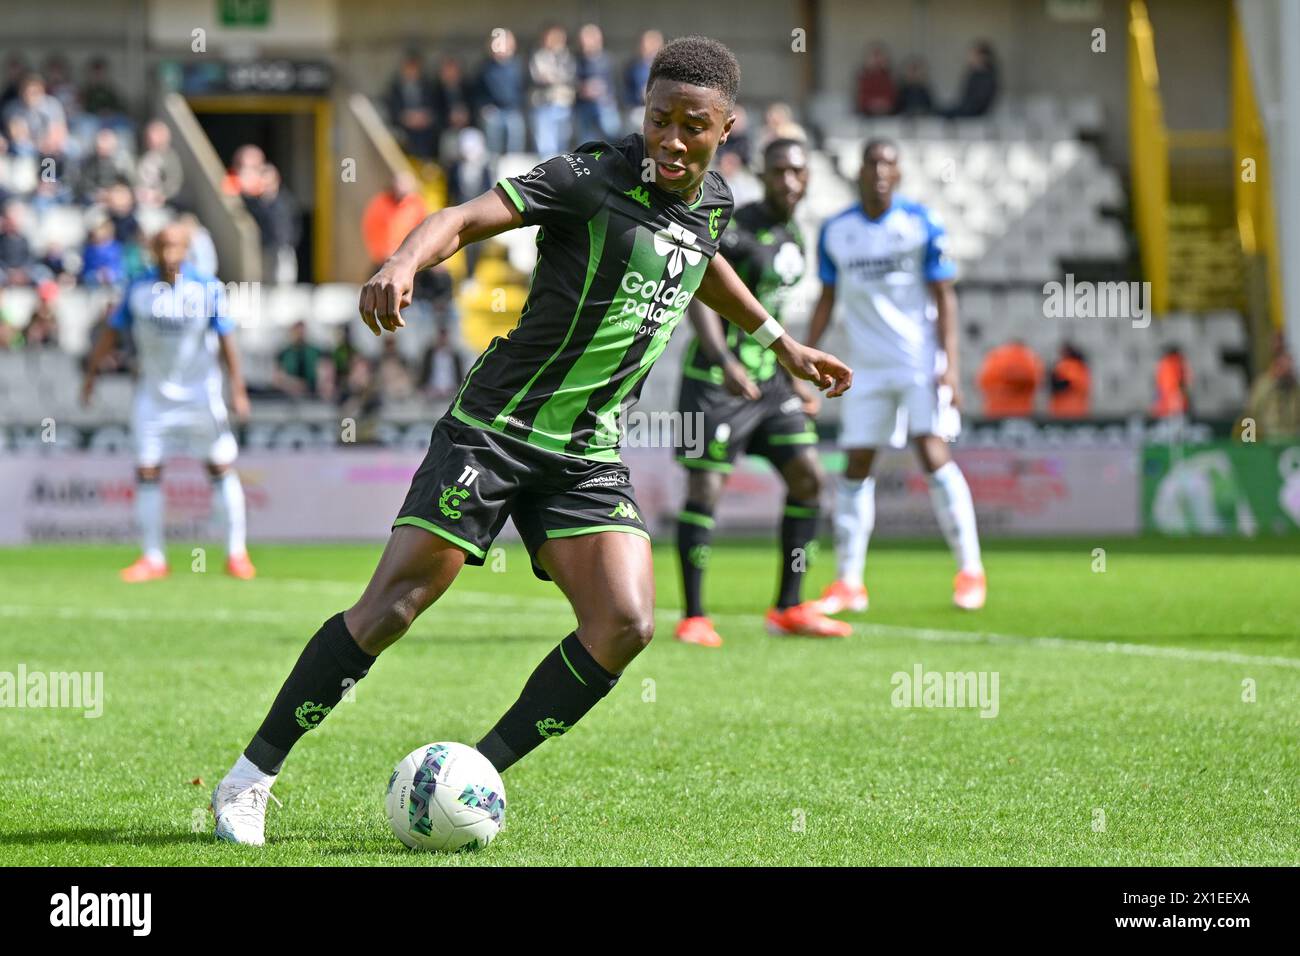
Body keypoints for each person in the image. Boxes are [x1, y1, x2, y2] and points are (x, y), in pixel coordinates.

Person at [209, 35, 851, 846]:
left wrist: (776, 337)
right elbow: (463, 216)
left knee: (625, 623)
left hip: (585, 452)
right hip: (498, 429)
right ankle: (250, 778)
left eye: (694, 126)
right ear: (642, 112)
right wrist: (406, 258)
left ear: (727, 128)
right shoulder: (589, 178)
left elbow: (703, 259)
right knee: (394, 607)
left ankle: (469, 778)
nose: (672, 141)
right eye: (660, 120)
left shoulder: (714, 201)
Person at [674, 138, 848, 647]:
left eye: (797, 172)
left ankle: (790, 606)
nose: (789, 181)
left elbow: (774, 310)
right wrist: (723, 360)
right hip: (715, 383)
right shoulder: (735, 225)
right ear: (763, 175)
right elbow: (698, 292)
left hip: (769, 383)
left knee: (809, 477)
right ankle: (694, 616)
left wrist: (794, 374)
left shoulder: (795, 233)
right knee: (705, 492)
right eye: (779, 172)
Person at [808, 138, 985, 613]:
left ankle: (970, 570)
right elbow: (827, 297)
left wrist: (951, 368)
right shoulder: (836, 231)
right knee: (856, 465)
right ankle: (849, 583)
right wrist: (806, 352)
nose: (881, 172)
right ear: (860, 173)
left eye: (889, 164)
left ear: (899, 175)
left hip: (918, 363)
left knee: (932, 452)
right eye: (872, 163)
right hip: (864, 368)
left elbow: (944, 295)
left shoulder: (920, 223)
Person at [80, 223, 255, 583]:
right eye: (162, 247)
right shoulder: (138, 289)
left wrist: (237, 389)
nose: (169, 254)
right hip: (154, 397)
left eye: (175, 246)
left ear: (187, 250)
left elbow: (225, 340)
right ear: (153, 251)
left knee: (220, 467)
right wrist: (91, 377)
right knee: (147, 471)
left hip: (200, 396)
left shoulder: (207, 288)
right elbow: (112, 333)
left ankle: (236, 554)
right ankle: (153, 557)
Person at [362, 170, 429, 268]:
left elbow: (423, 231)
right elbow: (371, 229)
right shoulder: (380, 203)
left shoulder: (416, 204)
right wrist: (380, 253)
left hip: (409, 257)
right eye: (400, 184)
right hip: (384, 259)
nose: (401, 188)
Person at [476, 28, 527, 155]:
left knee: (515, 150)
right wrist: (483, 107)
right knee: (493, 151)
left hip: (513, 110)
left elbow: (524, 88)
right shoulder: (485, 67)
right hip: (493, 111)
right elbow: (478, 91)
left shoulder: (518, 65)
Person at [528, 24, 576, 155]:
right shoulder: (538, 54)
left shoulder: (567, 56)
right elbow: (540, 76)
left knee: (562, 143)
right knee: (545, 147)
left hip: (563, 103)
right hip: (543, 103)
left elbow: (569, 75)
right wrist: (557, 77)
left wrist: (554, 75)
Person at [574, 24, 621, 144]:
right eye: (582, 40)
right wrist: (582, 88)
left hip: (605, 105)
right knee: (585, 142)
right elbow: (572, 81)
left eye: (587, 39)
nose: (584, 43)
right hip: (583, 106)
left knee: (612, 136)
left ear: (598, 40)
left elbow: (617, 84)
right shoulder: (576, 60)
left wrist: (602, 90)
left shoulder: (608, 59)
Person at [387, 52, 438, 159]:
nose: (412, 72)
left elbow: (434, 108)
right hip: (404, 127)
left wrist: (423, 118)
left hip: (425, 127)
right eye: (409, 68)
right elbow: (393, 112)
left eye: (414, 68)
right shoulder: (395, 89)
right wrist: (407, 118)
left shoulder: (428, 87)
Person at [1243, 346, 1300, 440]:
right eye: (1285, 368)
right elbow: (1251, 412)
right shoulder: (1263, 385)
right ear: (1276, 366)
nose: (1289, 372)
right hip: (1268, 439)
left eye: (1290, 369)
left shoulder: (1295, 388)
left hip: (1291, 439)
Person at [977, 339, 1042, 417]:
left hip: (995, 410)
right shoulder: (1028, 357)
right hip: (1022, 411)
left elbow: (982, 381)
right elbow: (1036, 380)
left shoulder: (995, 357)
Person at [621, 30, 663, 132]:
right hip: (638, 108)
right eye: (645, 42)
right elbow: (626, 94)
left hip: (661, 109)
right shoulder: (632, 67)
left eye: (653, 42)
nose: (648, 46)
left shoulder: (664, 67)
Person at [945, 41, 998, 119]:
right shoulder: (973, 74)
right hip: (966, 109)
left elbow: (978, 104)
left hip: (974, 113)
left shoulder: (988, 77)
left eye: (973, 55)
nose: (970, 58)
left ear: (983, 57)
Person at [273, 320, 325, 399]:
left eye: (302, 332)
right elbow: (277, 378)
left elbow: (323, 374)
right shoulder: (284, 353)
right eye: (297, 332)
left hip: (312, 395)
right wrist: (294, 384)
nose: (300, 335)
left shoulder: (314, 352)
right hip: (288, 395)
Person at [1048, 342, 1090, 418]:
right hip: (1076, 410)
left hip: (1066, 410)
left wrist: (1054, 381)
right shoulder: (1081, 366)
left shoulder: (1070, 365)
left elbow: (1068, 383)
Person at [855, 44, 897, 117]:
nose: (877, 60)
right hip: (867, 117)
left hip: (887, 116)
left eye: (879, 56)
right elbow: (860, 99)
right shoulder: (863, 78)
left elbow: (893, 97)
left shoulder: (889, 78)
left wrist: (884, 104)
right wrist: (873, 104)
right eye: (874, 56)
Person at [1151, 345, 1191, 417]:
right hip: (1169, 399)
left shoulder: (1175, 362)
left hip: (1172, 399)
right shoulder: (1169, 363)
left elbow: (1182, 381)